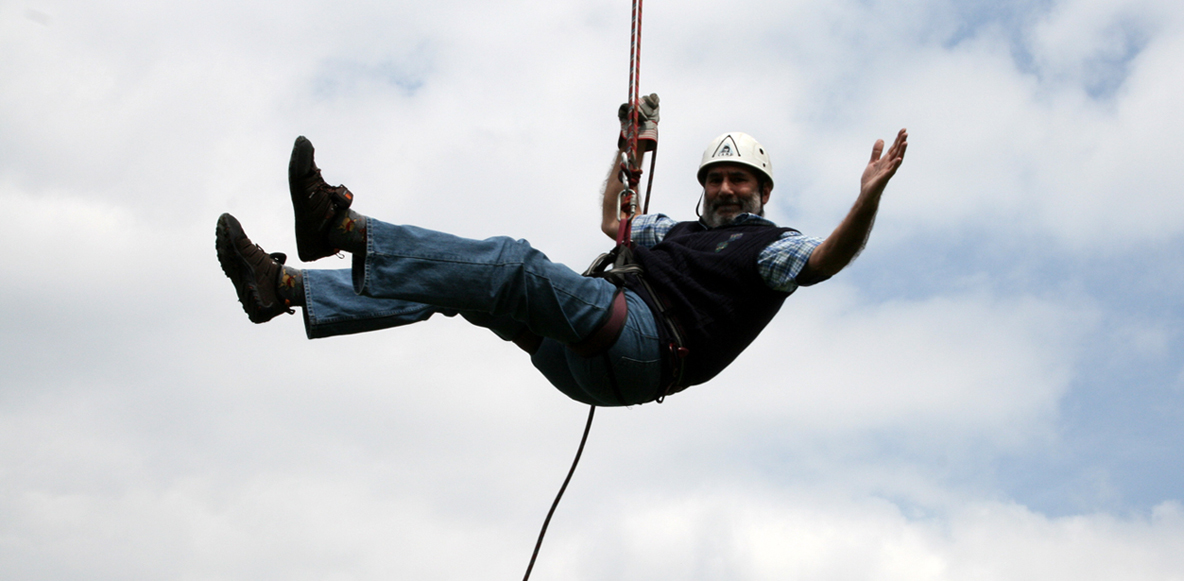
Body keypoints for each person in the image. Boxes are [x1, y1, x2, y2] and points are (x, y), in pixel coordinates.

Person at [215, 97, 907, 407]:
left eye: (741, 179)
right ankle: (283, 289)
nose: (728, 186)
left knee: (510, 262)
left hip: (640, 343)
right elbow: (614, 220)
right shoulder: (676, 230)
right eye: (718, 177)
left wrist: (868, 196)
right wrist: (623, 150)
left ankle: (342, 229)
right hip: (592, 354)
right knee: (454, 285)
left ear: (761, 190)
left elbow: (822, 262)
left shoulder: (769, 246)